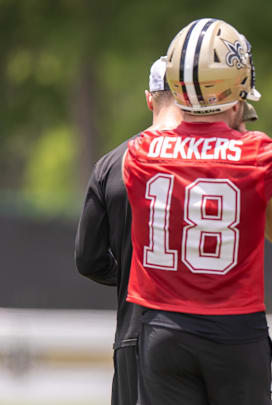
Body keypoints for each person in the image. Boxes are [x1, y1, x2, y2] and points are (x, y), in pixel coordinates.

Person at [123, 18, 272, 405]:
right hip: (233, 331)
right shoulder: (259, 154)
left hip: (160, 326)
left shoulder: (139, 153)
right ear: (236, 88)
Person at [75, 55, 182, 405]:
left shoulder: (110, 164)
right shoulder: (209, 161)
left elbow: (88, 259)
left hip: (134, 333)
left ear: (149, 99)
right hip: (199, 331)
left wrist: (131, 273)